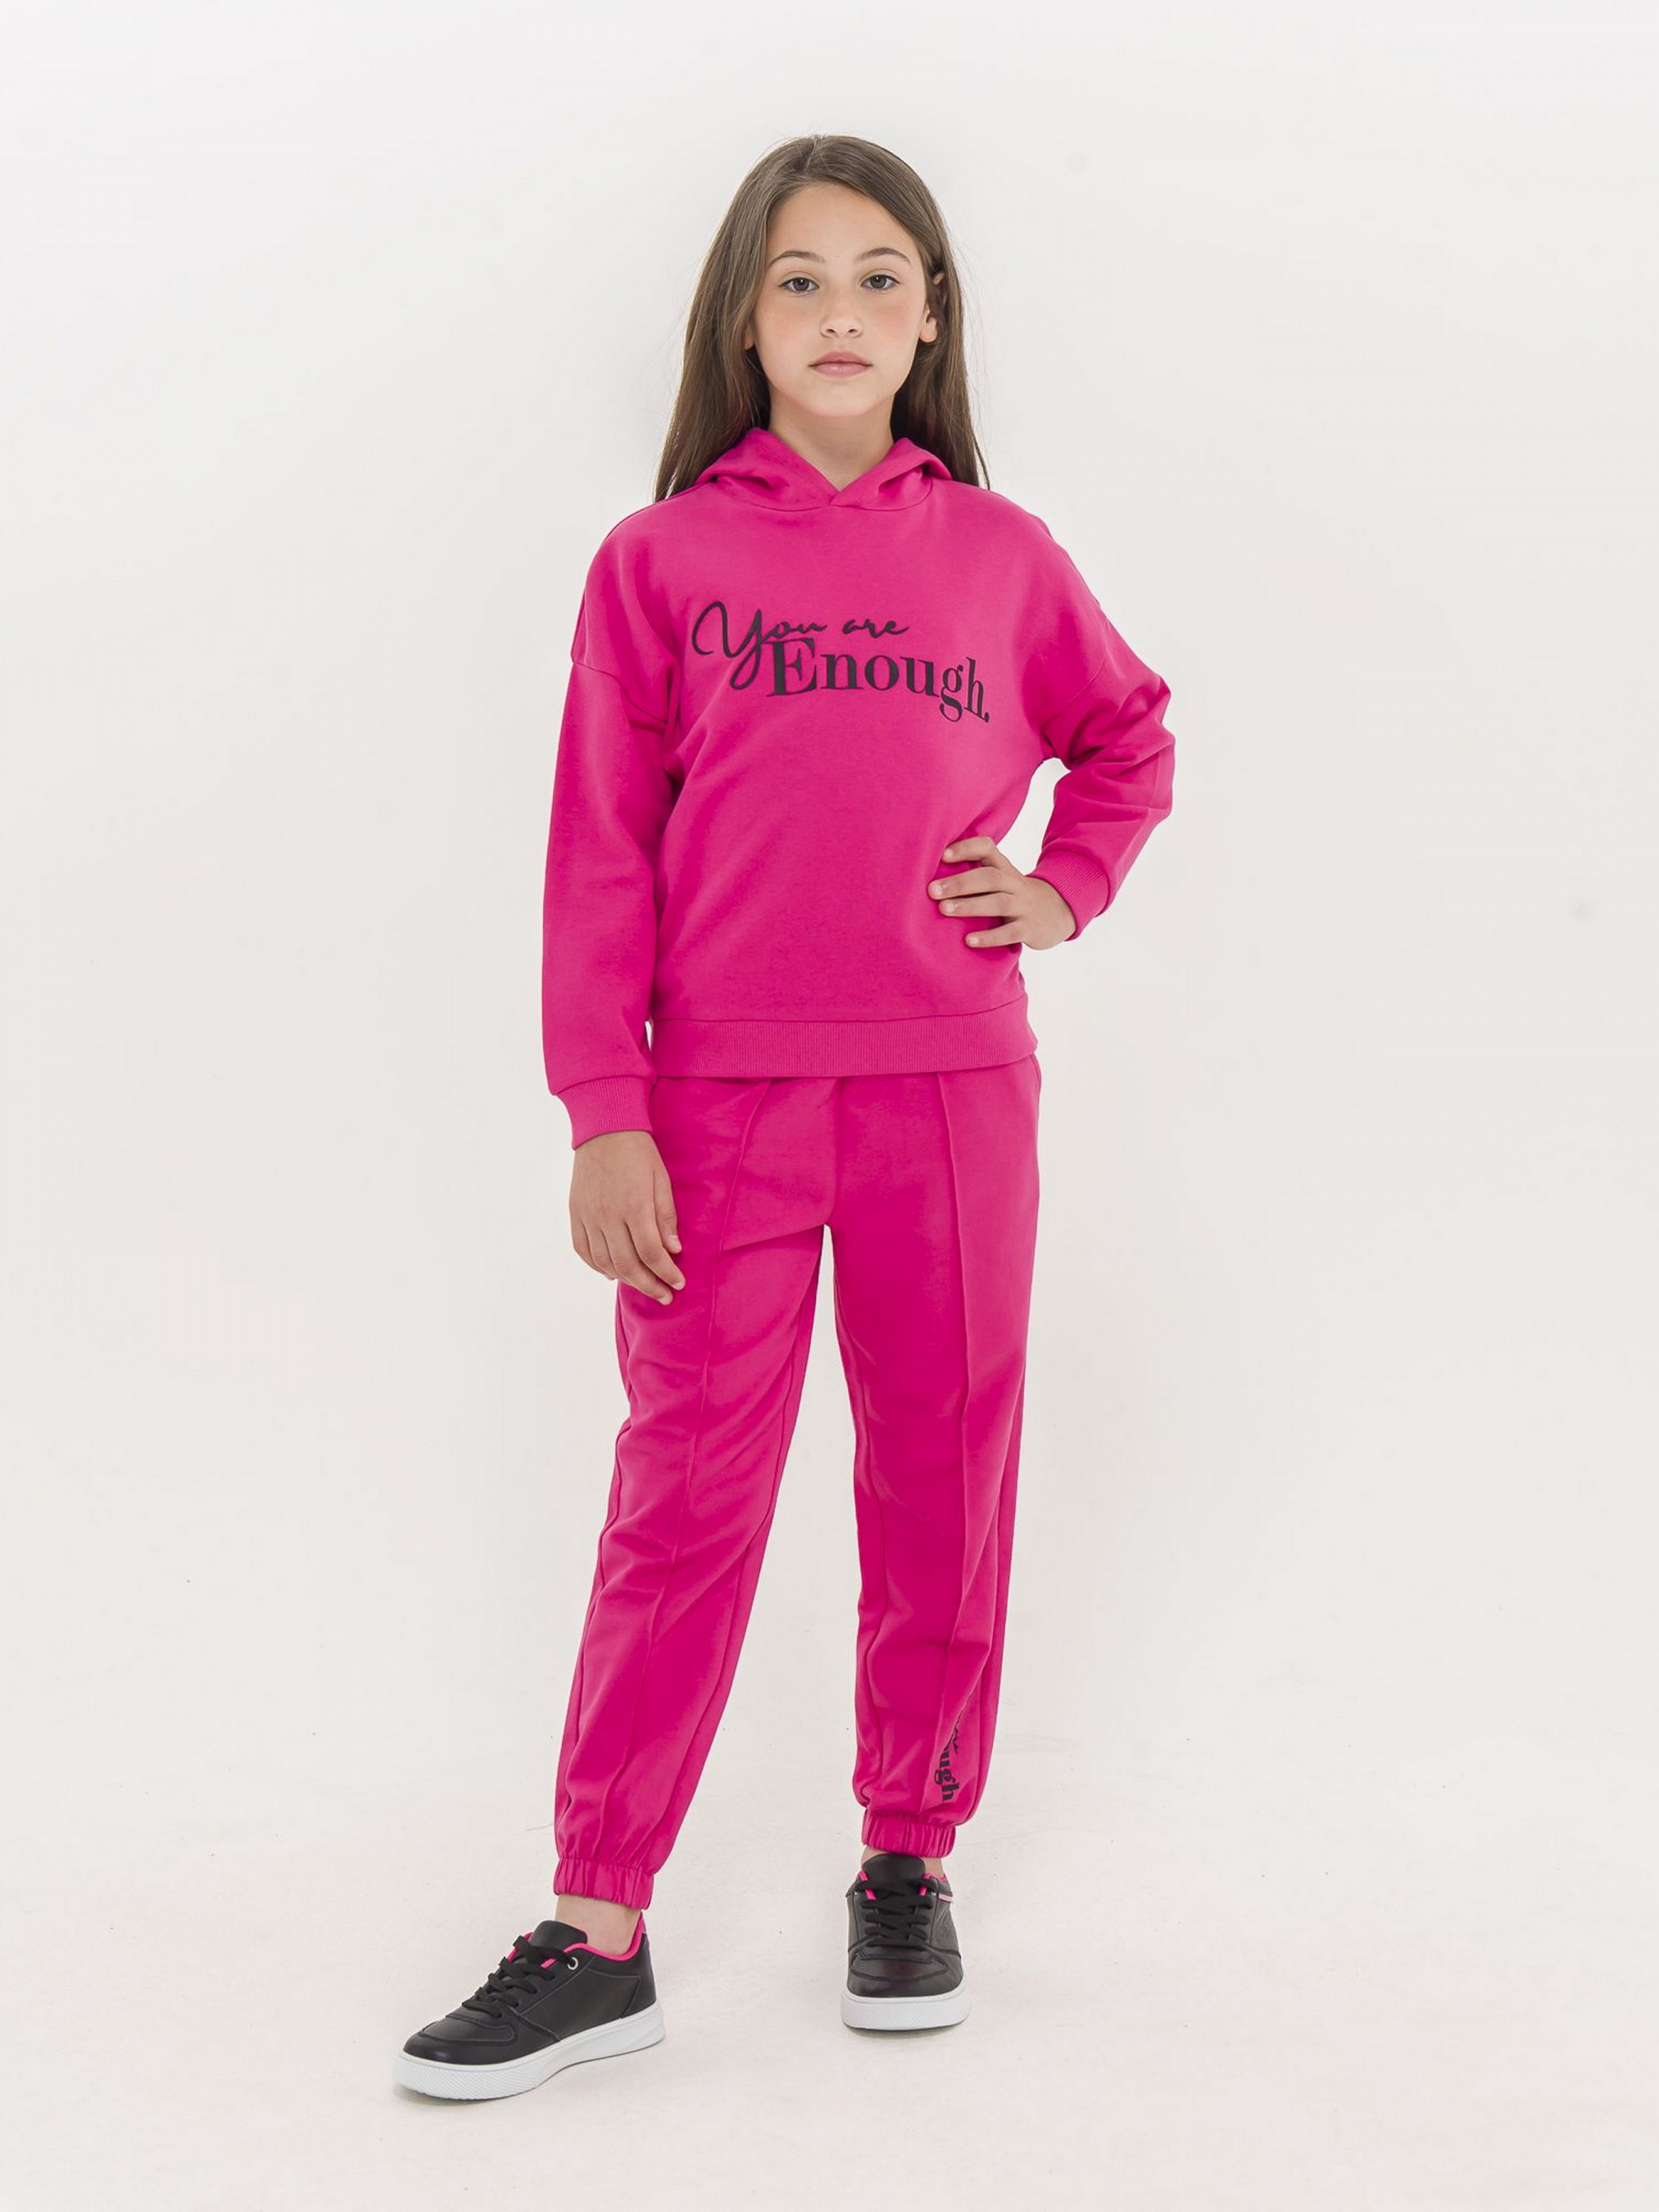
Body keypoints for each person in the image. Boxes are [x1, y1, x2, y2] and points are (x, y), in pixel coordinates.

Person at [395, 132, 1175, 2101]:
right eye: (799, 279)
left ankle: (906, 1857)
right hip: (717, 1112)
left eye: (879, 277)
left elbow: (1125, 732)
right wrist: (605, 1109)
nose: (841, 312)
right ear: (741, 320)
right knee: (682, 1496)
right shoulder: (658, 563)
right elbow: (597, 856)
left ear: (930, 319)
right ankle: (597, 1924)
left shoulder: (998, 555)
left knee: (940, 1473)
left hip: (949, 1094)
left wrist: (1061, 888)